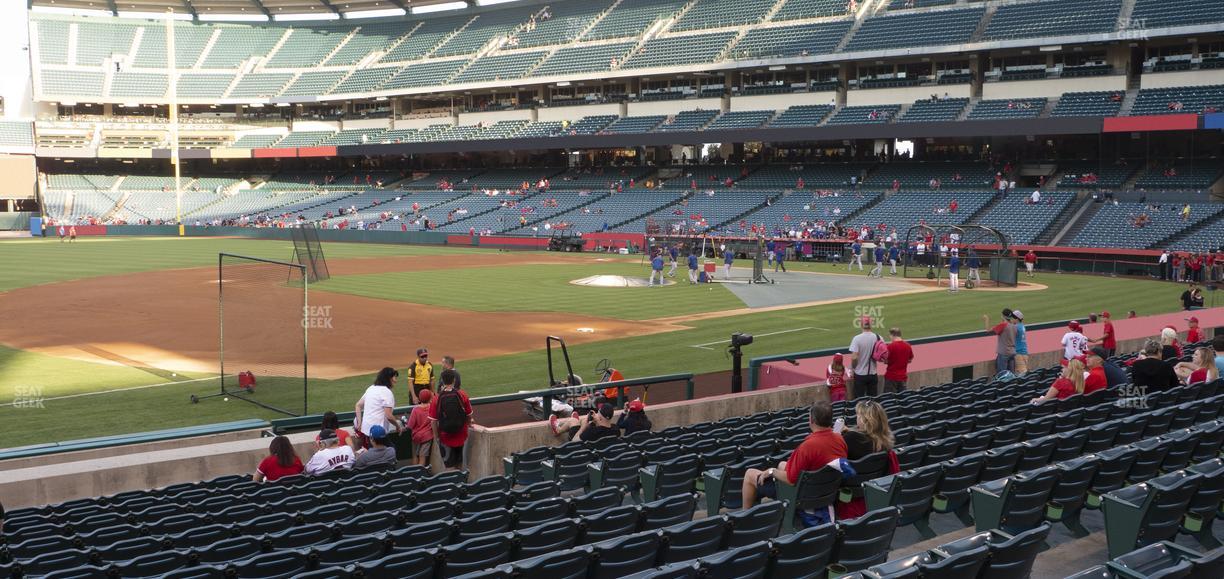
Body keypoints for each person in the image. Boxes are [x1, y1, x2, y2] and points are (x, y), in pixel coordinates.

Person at [741, 401, 848, 512]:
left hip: (801, 496)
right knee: (782, 464)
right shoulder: (840, 440)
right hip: (825, 490)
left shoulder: (807, 447)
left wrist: (771, 471)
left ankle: (745, 517)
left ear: (812, 420)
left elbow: (791, 480)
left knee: (750, 474)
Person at [836, 400, 898, 520]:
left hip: (848, 494)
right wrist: (851, 431)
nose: (857, 418)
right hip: (870, 492)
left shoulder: (850, 439)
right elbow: (865, 438)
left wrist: (838, 435)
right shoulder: (885, 443)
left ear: (865, 420)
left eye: (859, 415)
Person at [430, 369, 473, 471]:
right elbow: (469, 415)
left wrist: (437, 437)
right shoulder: (462, 394)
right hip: (461, 434)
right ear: (454, 380)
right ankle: (460, 485)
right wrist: (465, 426)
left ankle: (452, 486)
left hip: (445, 436)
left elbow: (433, 421)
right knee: (459, 463)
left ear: (442, 381)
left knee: (449, 466)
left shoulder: (437, 398)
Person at [354, 367, 403, 450]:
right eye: (394, 377)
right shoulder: (387, 392)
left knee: (374, 455)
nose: (395, 380)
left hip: (367, 431)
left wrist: (359, 423)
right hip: (379, 433)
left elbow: (358, 405)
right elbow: (388, 415)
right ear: (389, 378)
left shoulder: (371, 388)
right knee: (390, 452)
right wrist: (398, 426)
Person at [848, 317, 881, 398]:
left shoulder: (857, 338)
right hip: (873, 374)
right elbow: (882, 356)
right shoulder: (878, 337)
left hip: (860, 375)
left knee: (859, 401)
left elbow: (854, 357)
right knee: (873, 400)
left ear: (862, 325)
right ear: (871, 325)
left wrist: (852, 368)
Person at [406, 389, 434, 468]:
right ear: (429, 398)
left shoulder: (415, 409)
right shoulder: (432, 408)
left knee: (415, 456)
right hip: (427, 437)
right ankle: (419, 476)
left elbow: (410, 425)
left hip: (416, 436)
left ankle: (414, 475)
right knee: (422, 457)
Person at [984, 309, 1017, 375]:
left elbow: (988, 330)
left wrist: (986, 319)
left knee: (1002, 375)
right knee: (1011, 375)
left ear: (1003, 316)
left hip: (1004, 353)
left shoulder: (1003, 325)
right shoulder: (1014, 326)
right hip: (1012, 352)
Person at [883, 328, 913, 393]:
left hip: (891, 377)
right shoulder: (908, 346)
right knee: (901, 399)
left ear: (892, 335)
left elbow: (886, 360)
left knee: (889, 399)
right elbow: (910, 359)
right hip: (903, 377)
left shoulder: (890, 346)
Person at [1011, 310, 1029, 375]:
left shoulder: (1015, 327)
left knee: (1022, 373)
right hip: (1024, 352)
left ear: (1016, 319)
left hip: (1018, 352)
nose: (1011, 319)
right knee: (1021, 371)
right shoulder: (1022, 326)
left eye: (1012, 318)